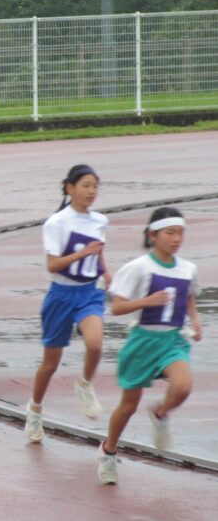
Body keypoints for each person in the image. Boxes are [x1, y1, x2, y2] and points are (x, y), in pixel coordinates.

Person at [96, 207, 202, 485]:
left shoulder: (188, 269)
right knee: (128, 405)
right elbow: (117, 307)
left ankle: (160, 412)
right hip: (142, 341)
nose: (176, 238)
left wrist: (195, 321)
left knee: (183, 385)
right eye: (170, 233)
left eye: (180, 233)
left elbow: (188, 296)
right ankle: (108, 451)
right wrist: (147, 301)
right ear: (153, 234)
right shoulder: (139, 267)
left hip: (172, 341)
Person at [25, 164, 110, 443]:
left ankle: (84, 384)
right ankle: (35, 409)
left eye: (95, 186)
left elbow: (97, 252)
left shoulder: (100, 221)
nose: (91, 191)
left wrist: (106, 271)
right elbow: (53, 265)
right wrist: (82, 253)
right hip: (61, 295)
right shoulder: (57, 222)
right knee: (51, 364)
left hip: (89, 293)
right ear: (69, 188)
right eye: (86, 185)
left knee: (96, 344)